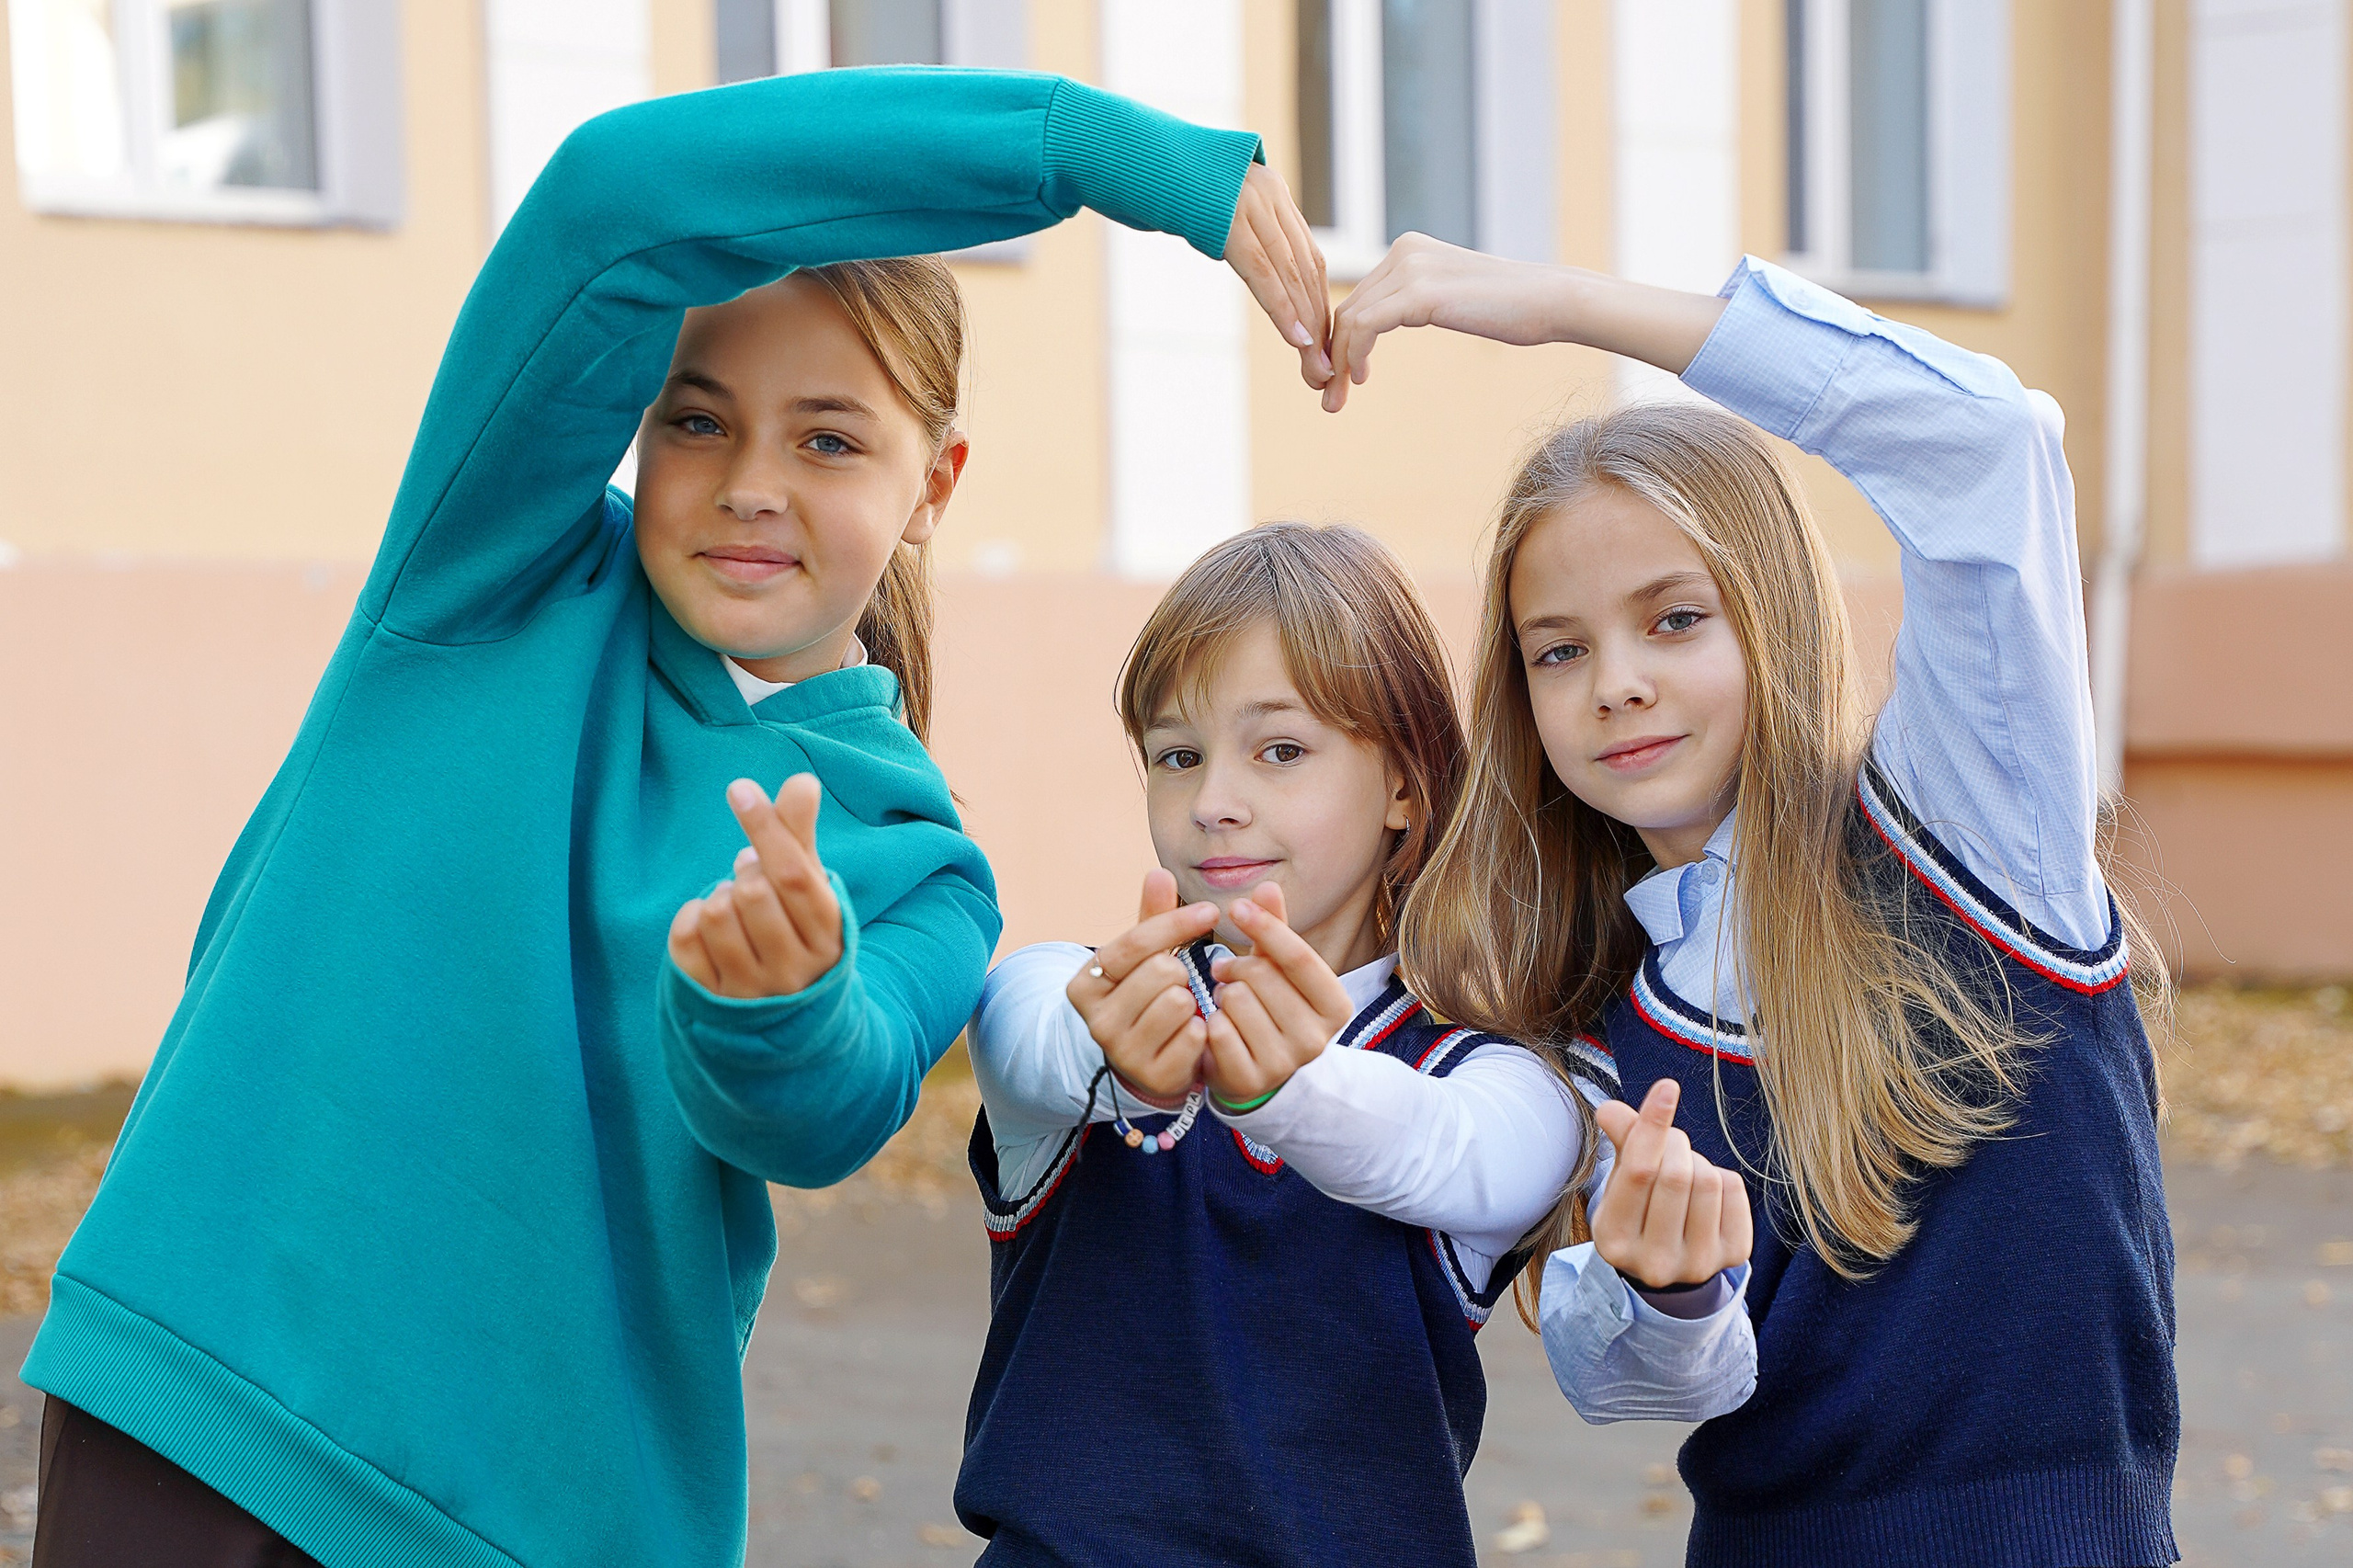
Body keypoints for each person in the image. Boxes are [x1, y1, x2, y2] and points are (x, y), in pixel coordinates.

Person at [24, 68, 1329, 1568]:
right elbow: (616, 198)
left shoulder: (925, 868)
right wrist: (1089, 150)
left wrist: (769, 1009)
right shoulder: (489, 569)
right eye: (699, 422)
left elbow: (824, 1112)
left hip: (544, 1520)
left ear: (934, 486)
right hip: (208, 1397)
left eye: (831, 440)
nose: (751, 486)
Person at [1333, 236, 2178, 1566]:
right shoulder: (1594, 1023)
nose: (1615, 680)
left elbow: (1990, 442)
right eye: (1561, 649)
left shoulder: (1973, 834)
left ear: (1772, 616)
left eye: (1674, 618)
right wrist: (1670, 1291)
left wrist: (1564, 308)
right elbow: (1629, 1384)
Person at [955, 522, 1754, 1568]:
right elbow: (1023, 1036)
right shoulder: (1075, 988)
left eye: (1280, 748)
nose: (1214, 802)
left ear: (1404, 790)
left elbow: (1444, 1148)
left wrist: (1282, 1087)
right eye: (1176, 755)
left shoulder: (1502, 1075)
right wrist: (1128, 1067)